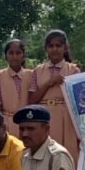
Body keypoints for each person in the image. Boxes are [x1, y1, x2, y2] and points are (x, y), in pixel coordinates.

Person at [28, 30, 81, 160]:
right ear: (46, 49)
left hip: (66, 117)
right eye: (51, 46)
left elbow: (80, 100)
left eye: (58, 46)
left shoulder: (73, 70)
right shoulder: (37, 71)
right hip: (44, 117)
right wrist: (49, 83)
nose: (54, 49)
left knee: (67, 154)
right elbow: (31, 100)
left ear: (65, 48)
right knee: (45, 155)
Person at [0, 39, 33, 139]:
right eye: (11, 53)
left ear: (23, 55)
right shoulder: (0, 75)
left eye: (18, 53)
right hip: (8, 122)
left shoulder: (31, 75)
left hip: (28, 121)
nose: (14, 56)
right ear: (6, 56)